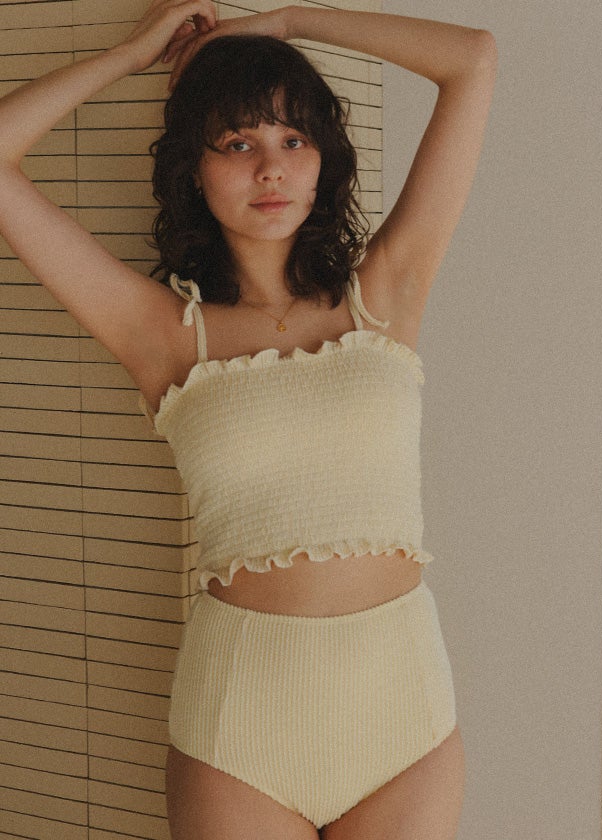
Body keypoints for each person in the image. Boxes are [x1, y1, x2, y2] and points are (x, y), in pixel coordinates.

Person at [0, 2, 497, 837]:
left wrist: (290, 21)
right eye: (237, 143)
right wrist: (133, 55)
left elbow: (473, 59)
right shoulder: (163, 334)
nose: (271, 168)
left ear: (323, 160)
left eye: (294, 139)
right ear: (194, 169)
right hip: (241, 727)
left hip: (403, 715)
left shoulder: (385, 295)